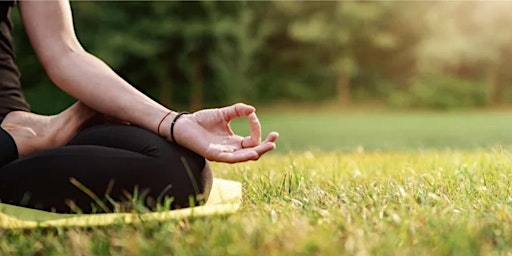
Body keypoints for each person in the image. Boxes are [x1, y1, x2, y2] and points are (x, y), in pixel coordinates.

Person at [0, 1, 279, 213]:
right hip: (15, 138)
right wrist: (19, 141)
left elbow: (64, 51)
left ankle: (30, 141)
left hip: (14, 121)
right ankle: (24, 142)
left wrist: (174, 123)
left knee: (177, 170)